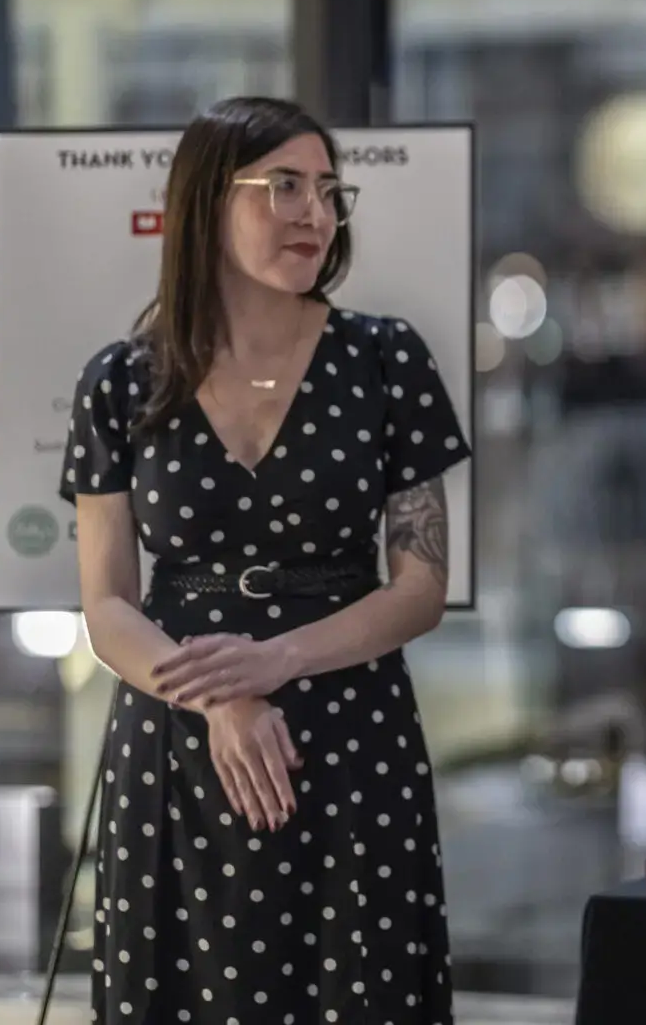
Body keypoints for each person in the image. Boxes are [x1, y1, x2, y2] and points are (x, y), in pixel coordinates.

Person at [60, 96, 470, 1024]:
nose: (314, 213)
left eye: (328, 190)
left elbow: (420, 586)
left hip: (349, 732)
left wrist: (278, 659)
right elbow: (108, 605)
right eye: (283, 185)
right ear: (206, 201)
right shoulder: (123, 379)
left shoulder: (384, 358)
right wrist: (221, 694)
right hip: (180, 734)